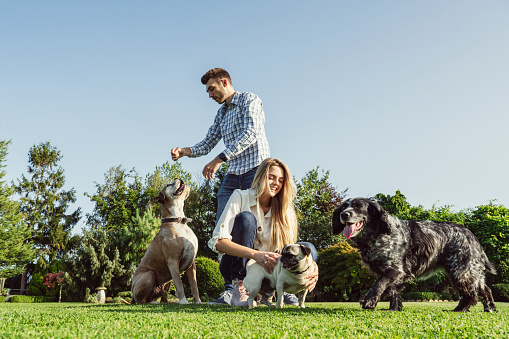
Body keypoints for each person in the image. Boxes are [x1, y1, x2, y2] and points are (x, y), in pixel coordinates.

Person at [171, 68, 270, 303]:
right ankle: (231, 288)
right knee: (222, 230)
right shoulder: (221, 114)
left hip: (256, 171)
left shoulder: (250, 100)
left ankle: (267, 284)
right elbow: (207, 142)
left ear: (224, 82)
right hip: (233, 174)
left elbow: (251, 133)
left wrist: (219, 159)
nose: (209, 95)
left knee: (257, 226)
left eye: (211, 89)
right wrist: (184, 151)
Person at [208, 157, 319, 307]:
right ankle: (239, 286)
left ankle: (284, 288)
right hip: (239, 264)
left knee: (309, 248)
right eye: (271, 177)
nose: (276, 184)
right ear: (260, 177)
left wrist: (312, 267)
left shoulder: (286, 209)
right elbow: (219, 243)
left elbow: (291, 249)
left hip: (271, 269)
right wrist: (255, 255)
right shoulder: (240, 196)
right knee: (247, 218)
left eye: (280, 180)